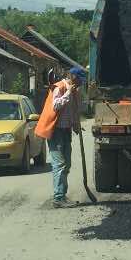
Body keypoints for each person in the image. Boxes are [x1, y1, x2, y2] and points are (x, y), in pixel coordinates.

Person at [35, 66, 86, 208]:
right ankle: (58, 198)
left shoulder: (74, 91)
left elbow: (72, 110)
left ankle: (62, 195)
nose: (83, 83)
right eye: (81, 79)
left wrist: (76, 124)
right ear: (74, 77)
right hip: (55, 131)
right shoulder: (60, 87)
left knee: (67, 164)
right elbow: (56, 106)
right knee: (60, 164)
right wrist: (68, 93)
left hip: (65, 130)